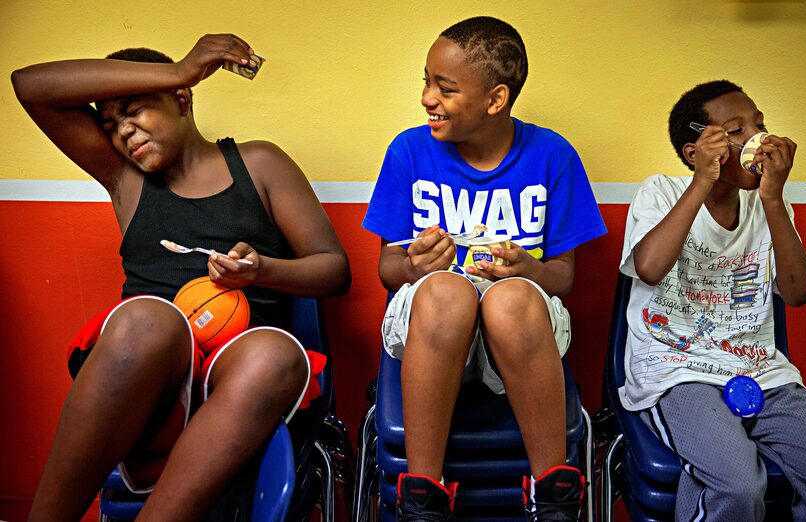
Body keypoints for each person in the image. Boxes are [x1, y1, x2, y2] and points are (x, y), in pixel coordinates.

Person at [12, 34, 350, 521]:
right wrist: (178, 70)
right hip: (149, 383)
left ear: (182, 103)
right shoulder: (124, 179)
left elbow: (333, 269)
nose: (123, 132)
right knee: (152, 319)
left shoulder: (259, 164)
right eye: (110, 125)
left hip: (240, 386)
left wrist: (263, 270)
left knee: (275, 352)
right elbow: (30, 85)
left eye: (135, 111)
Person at [362, 16, 606, 521]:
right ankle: (421, 495)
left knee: (510, 297)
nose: (428, 97)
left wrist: (530, 271)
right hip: (431, 326)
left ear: (495, 100)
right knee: (446, 291)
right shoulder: (409, 150)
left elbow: (563, 276)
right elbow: (388, 268)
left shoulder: (552, 155)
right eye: (426, 81)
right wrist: (414, 266)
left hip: (519, 333)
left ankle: (554, 494)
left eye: (445, 88)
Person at [619, 79, 806, 521]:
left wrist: (772, 198)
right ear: (694, 150)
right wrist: (701, 183)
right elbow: (650, 268)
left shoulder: (767, 204)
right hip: (676, 370)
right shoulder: (659, 191)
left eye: (760, 124)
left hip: (761, 370)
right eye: (736, 130)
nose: (758, 139)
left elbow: (798, 292)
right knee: (737, 485)